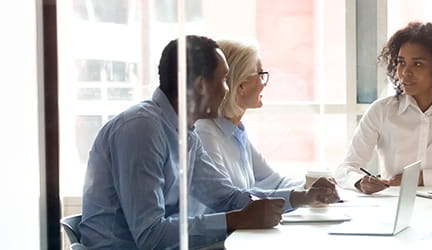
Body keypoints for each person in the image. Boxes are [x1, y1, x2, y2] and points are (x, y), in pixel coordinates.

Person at [80, 35, 339, 249]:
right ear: (202, 85)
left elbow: (227, 197)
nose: (228, 89)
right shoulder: (141, 130)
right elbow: (150, 236)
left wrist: (304, 197)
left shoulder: (186, 134)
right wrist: (236, 220)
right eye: (224, 80)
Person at [334, 21, 432, 194]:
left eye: (418, 64)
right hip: (392, 208)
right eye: (401, 62)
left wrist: (420, 178)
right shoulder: (382, 110)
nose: (405, 72)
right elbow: (346, 168)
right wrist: (360, 182)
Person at [190, 38, 310, 215]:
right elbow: (230, 201)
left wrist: (311, 186)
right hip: (217, 240)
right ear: (241, 86)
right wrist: (302, 196)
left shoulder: (236, 132)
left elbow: (275, 182)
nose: (265, 82)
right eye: (260, 74)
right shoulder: (205, 132)